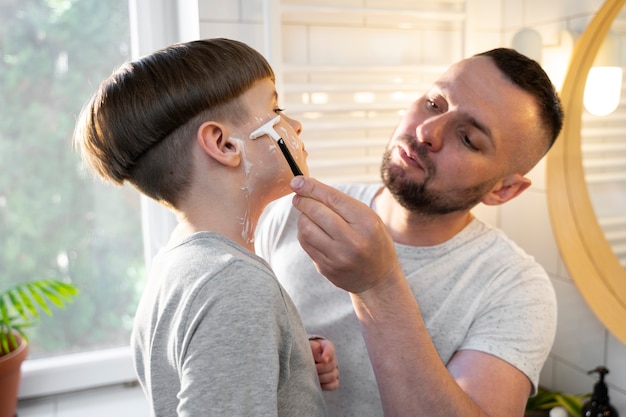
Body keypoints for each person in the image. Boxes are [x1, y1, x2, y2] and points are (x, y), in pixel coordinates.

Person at [255, 47, 564, 417]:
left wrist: (378, 286)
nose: (427, 132)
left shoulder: (515, 288)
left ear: (504, 190)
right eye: (434, 103)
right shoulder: (290, 214)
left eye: (468, 138)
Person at [73, 38, 338, 416]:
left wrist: (287, 359)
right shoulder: (234, 285)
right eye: (275, 109)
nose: (295, 124)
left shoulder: (180, 267)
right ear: (223, 144)